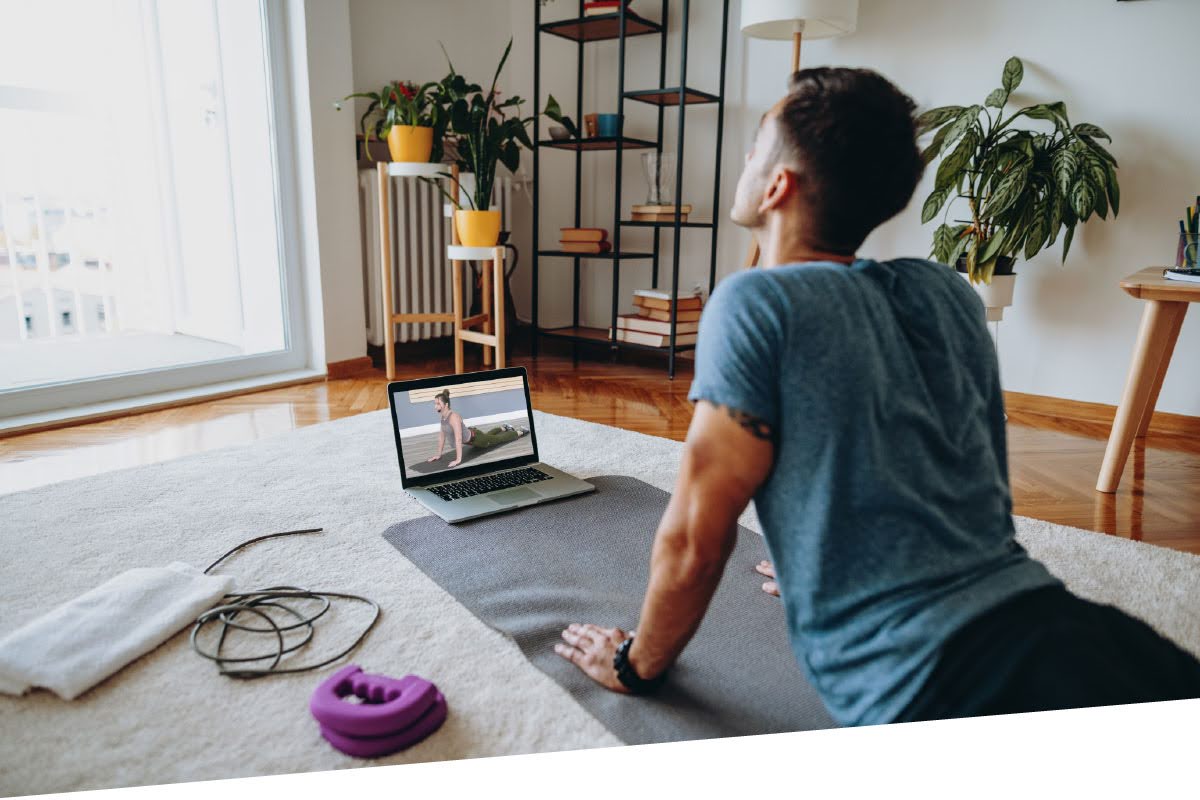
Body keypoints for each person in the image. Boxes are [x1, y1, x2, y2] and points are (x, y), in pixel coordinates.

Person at [553, 67, 1200, 724]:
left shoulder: (754, 303)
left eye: (755, 147)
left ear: (777, 185)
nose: (745, 159)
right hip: (1081, 634)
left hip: (942, 689)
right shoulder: (946, 293)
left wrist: (635, 664)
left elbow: (695, 541)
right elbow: (960, 482)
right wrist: (828, 557)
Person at [427, 389, 526, 468]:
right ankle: (503, 428)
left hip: (477, 440)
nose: (435, 406)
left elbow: (458, 439)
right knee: (487, 436)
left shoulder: (453, 418)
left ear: (446, 405)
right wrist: (438, 454)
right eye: (435, 404)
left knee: (498, 440)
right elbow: (441, 437)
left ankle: (520, 431)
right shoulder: (443, 418)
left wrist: (458, 460)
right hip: (474, 434)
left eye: (438, 404)